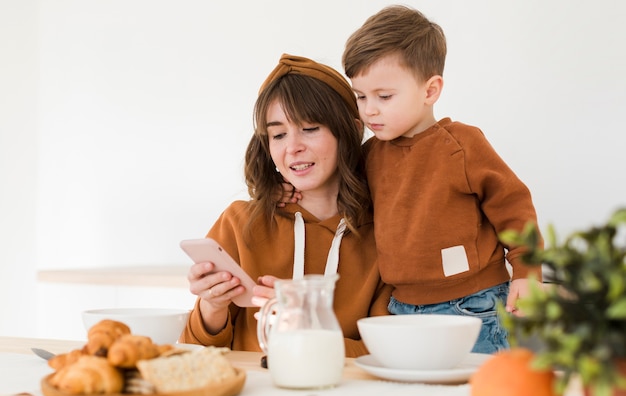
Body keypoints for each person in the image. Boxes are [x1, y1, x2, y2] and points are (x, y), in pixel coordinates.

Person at [340, 5, 543, 353]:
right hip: (402, 311)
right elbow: (339, 194)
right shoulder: (369, 155)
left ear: (430, 90)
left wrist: (527, 271)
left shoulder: (462, 144)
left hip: (475, 307)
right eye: (360, 96)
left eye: (384, 97)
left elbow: (514, 207)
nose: (369, 109)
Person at [180, 54, 393, 358]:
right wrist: (212, 306)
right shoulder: (238, 223)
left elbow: (388, 355)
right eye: (278, 134)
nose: (293, 147)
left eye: (310, 128)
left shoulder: (385, 235)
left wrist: (309, 329)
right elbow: (196, 357)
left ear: (351, 131)